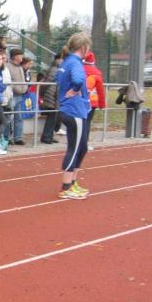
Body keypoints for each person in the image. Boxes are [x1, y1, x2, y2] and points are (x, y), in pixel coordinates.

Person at [56, 32, 92, 199]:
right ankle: (66, 187)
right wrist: (75, 90)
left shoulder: (66, 62)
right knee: (75, 148)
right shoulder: (75, 63)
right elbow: (78, 80)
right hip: (74, 110)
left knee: (82, 147)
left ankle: (73, 182)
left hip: (73, 109)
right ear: (84, 47)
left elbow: (58, 78)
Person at [82, 50, 105, 146]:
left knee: (78, 122)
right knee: (87, 122)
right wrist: (102, 104)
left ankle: (74, 142)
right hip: (92, 102)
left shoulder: (78, 69)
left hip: (78, 100)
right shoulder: (96, 72)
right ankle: (84, 144)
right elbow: (100, 90)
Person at [40, 51, 64, 144]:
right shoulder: (54, 69)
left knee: (53, 117)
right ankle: (46, 136)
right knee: (51, 117)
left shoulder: (57, 69)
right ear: (57, 59)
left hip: (53, 95)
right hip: (51, 96)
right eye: (62, 59)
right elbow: (48, 83)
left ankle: (49, 135)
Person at [5, 48, 28, 145]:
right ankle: (7, 138)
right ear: (15, 56)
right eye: (20, 55)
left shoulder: (20, 67)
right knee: (8, 118)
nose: (22, 57)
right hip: (12, 96)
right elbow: (9, 81)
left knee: (19, 117)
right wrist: (16, 88)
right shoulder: (7, 66)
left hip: (20, 96)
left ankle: (18, 138)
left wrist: (24, 88)